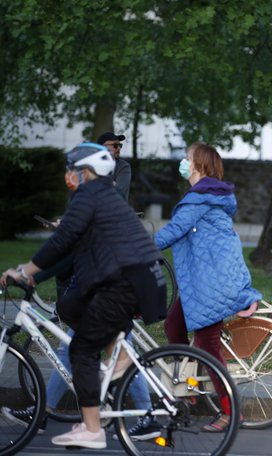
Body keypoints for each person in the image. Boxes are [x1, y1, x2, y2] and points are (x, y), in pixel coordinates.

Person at [0, 143, 165, 449]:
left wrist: (26, 270)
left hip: (125, 283)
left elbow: (63, 239)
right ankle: (121, 352)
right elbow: (76, 241)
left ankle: (92, 428)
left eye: (71, 169)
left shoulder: (88, 195)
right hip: (135, 280)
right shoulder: (103, 196)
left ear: (85, 172)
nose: (68, 175)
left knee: (80, 350)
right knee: (68, 305)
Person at [154, 141, 260, 432]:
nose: (183, 162)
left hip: (211, 287)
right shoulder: (203, 197)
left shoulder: (200, 199)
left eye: (187, 158)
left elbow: (174, 231)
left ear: (199, 165)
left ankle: (230, 411)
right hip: (200, 284)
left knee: (208, 346)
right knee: (174, 325)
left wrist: (138, 247)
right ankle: (186, 388)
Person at [97, 131, 131, 200]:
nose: (119, 148)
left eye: (120, 145)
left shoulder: (123, 166)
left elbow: (118, 193)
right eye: (115, 145)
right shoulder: (90, 165)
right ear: (102, 147)